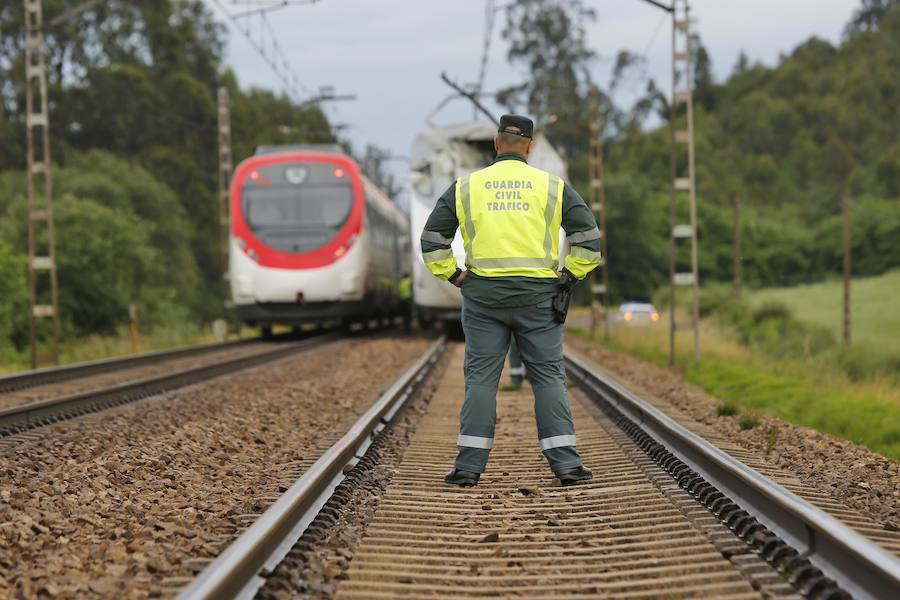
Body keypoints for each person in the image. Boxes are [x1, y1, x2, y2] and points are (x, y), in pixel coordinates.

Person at [420, 114, 602, 487]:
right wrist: (570, 273)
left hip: (484, 298)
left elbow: (432, 239)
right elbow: (589, 239)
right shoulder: (552, 187)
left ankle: (468, 467)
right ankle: (566, 465)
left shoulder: (466, 187)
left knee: (481, 382)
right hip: (539, 298)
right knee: (549, 377)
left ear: (496, 143)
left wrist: (453, 275)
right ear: (530, 148)